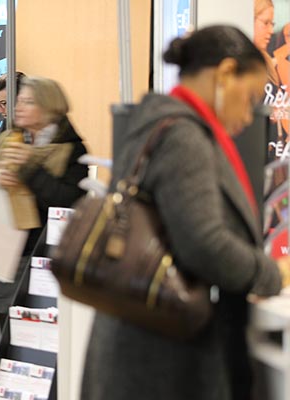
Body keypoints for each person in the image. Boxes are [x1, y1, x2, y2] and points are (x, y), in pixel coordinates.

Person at [81, 26, 289, 400]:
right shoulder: (184, 137)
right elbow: (203, 243)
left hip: (141, 335)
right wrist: (269, 273)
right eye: (250, 96)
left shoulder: (157, 123)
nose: (250, 114)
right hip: (160, 351)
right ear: (225, 73)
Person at [0, 77, 88, 328]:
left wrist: (30, 170)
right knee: (8, 336)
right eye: (19, 101)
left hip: (47, 258)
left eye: (28, 102)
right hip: (5, 252)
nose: (19, 107)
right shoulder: (8, 140)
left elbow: (68, 202)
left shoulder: (70, 149)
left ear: (49, 107)